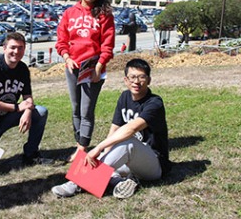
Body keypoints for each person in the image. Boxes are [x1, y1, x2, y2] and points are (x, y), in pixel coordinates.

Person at [51, 58, 172, 199]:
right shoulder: (125, 97)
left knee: (128, 142)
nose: (136, 81)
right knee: (108, 157)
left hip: (154, 164)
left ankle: (77, 183)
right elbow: (115, 128)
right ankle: (119, 182)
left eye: (141, 77)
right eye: (132, 77)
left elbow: (130, 129)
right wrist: (103, 153)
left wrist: (98, 147)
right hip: (131, 163)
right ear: (126, 80)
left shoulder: (155, 103)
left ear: (149, 80)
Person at [55, 0, 115, 163]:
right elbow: (61, 41)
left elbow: (108, 44)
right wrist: (66, 57)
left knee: (86, 110)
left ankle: (82, 148)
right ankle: (79, 142)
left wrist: (99, 66)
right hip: (72, 66)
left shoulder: (104, 14)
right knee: (75, 108)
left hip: (92, 67)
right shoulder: (69, 13)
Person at [0, 32, 53, 166]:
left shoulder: (23, 68)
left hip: (9, 116)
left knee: (40, 112)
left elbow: (27, 97)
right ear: (4, 48)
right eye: (12, 47)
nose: (16, 51)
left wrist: (28, 111)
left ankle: (31, 154)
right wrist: (17, 107)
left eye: (20, 48)